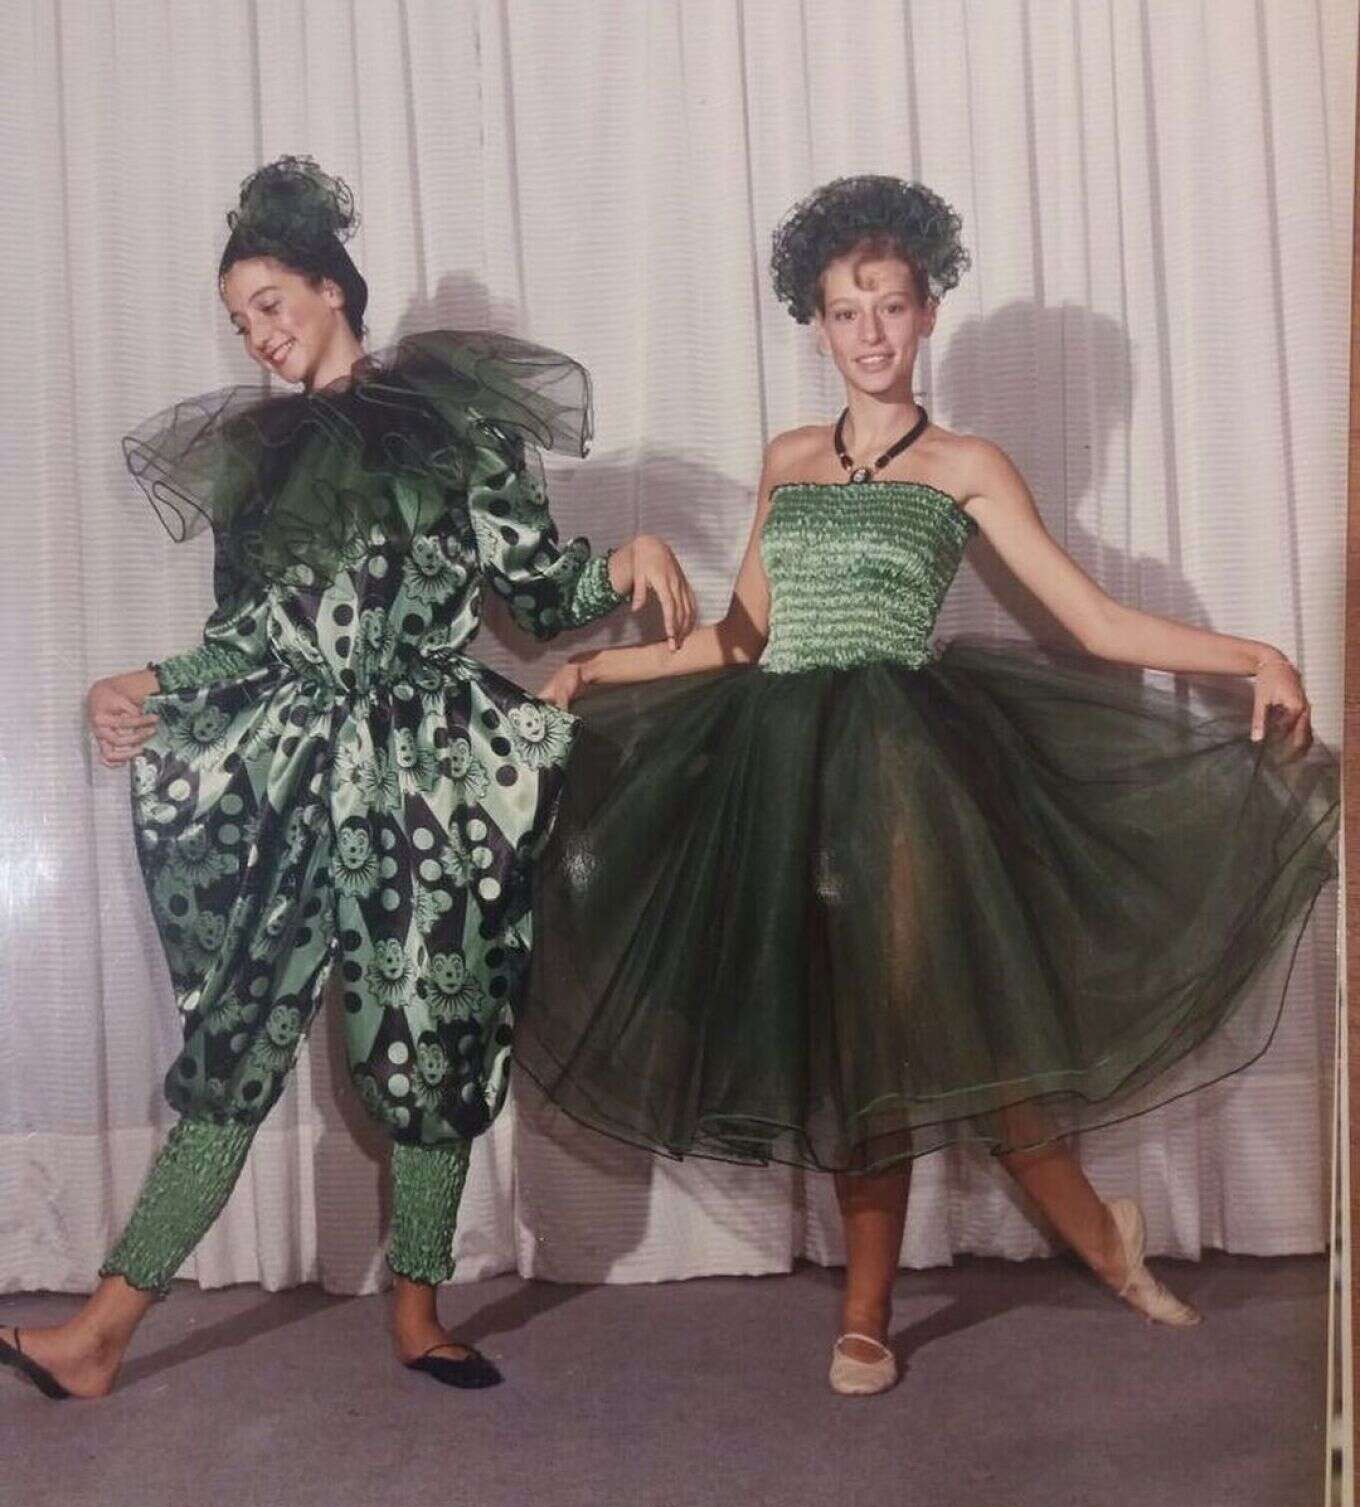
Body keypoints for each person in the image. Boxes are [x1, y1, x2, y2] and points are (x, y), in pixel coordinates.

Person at [517, 175, 1338, 1395]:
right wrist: (597, 672)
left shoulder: (965, 464)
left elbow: (1093, 622)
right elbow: (741, 639)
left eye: (890, 306)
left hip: (903, 772)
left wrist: (1252, 654)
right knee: (852, 1034)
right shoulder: (788, 459)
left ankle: (979, 1276)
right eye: (845, 311)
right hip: (774, 775)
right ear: (815, 324)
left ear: (927, 312)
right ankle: (1023, 1258)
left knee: (916, 1025)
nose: (869, 333)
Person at [0, 155, 693, 1399]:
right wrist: (141, 682)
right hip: (290, 773)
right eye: (238, 320)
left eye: (270, 303)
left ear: (332, 289)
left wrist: (624, 558)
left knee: (428, 1034)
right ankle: (102, 1330)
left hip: (427, 773)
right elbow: (248, 640)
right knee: (236, 1041)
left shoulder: (452, 425)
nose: (257, 335)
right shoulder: (257, 461)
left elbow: (537, 595)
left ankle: (419, 1314)